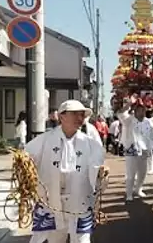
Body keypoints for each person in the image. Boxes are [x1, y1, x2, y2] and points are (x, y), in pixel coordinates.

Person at [25, 100, 105, 243]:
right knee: (55, 239)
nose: (79, 118)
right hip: (52, 201)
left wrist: (100, 172)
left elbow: (97, 165)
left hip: (79, 201)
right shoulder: (45, 139)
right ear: (62, 117)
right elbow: (26, 158)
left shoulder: (90, 143)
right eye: (75, 114)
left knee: (82, 240)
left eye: (82, 115)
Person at [117, 96, 153, 201]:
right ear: (135, 111)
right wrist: (128, 105)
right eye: (139, 109)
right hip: (131, 150)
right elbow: (120, 113)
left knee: (142, 173)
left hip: (144, 151)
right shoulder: (129, 120)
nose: (141, 111)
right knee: (131, 174)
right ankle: (129, 194)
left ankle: (138, 189)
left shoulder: (147, 121)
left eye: (143, 109)